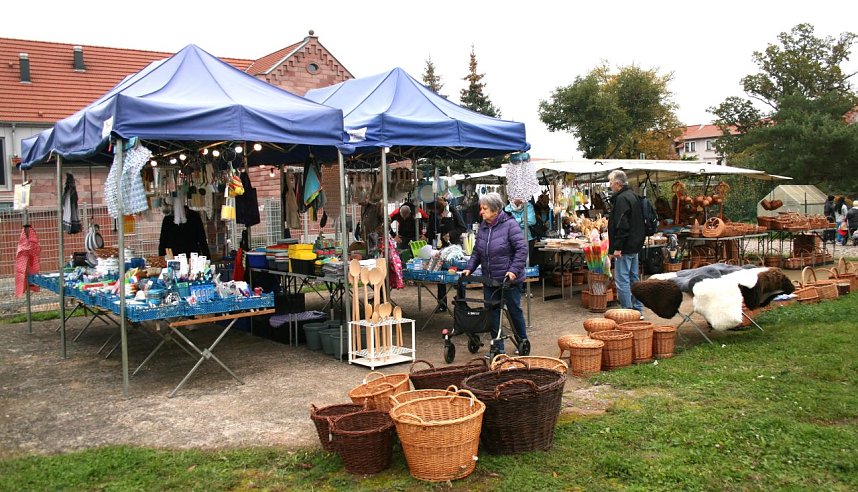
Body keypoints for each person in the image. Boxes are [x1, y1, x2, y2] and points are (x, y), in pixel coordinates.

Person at [461, 192, 528, 355]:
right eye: (481, 208)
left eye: (484, 209)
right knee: (492, 312)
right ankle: (498, 348)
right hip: (490, 280)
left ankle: (523, 341)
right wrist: (470, 267)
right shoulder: (483, 226)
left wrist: (513, 271)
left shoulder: (510, 225)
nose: (481, 212)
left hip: (508, 280)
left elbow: (522, 250)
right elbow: (477, 251)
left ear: (495, 210)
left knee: (513, 310)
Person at [606, 170, 645, 317]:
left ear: (618, 183)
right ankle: (638, 311)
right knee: (634, 278)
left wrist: (617, 247)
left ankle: (628, 312)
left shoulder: (622, 199)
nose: (610, 185)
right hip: (634, 245)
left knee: (622, 280)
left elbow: (622, 225)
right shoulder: (633, 195)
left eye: (611, 182)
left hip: (625, 247)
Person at [423, 196, 466, 312]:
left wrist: (450, 234)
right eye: (432, 211)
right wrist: (428, 241)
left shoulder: (452, 210)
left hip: (453, 248)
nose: (434, 212)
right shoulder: (433, 215)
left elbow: (462, 227)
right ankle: (442, 304)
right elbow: (431, 230)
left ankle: (461, 301)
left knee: (458, 274)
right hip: (439, 248)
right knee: (440, 276)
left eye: (435, 210)